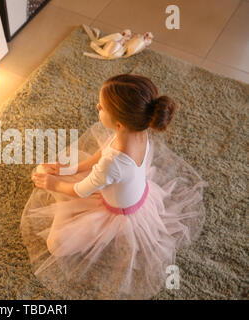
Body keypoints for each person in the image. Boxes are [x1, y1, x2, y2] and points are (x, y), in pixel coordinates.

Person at [21, 74, 206, 299]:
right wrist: (76, 169)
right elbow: (101, 154)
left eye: (101, 107)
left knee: (55, 244)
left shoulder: (114, 163)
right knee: (52, 171)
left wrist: (55, 184)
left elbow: (81, 190)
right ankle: (67, 196)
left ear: (119, 123)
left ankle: (67, 211)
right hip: (130, 190)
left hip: (116, 214)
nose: (97, 106)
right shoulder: (138, 130)